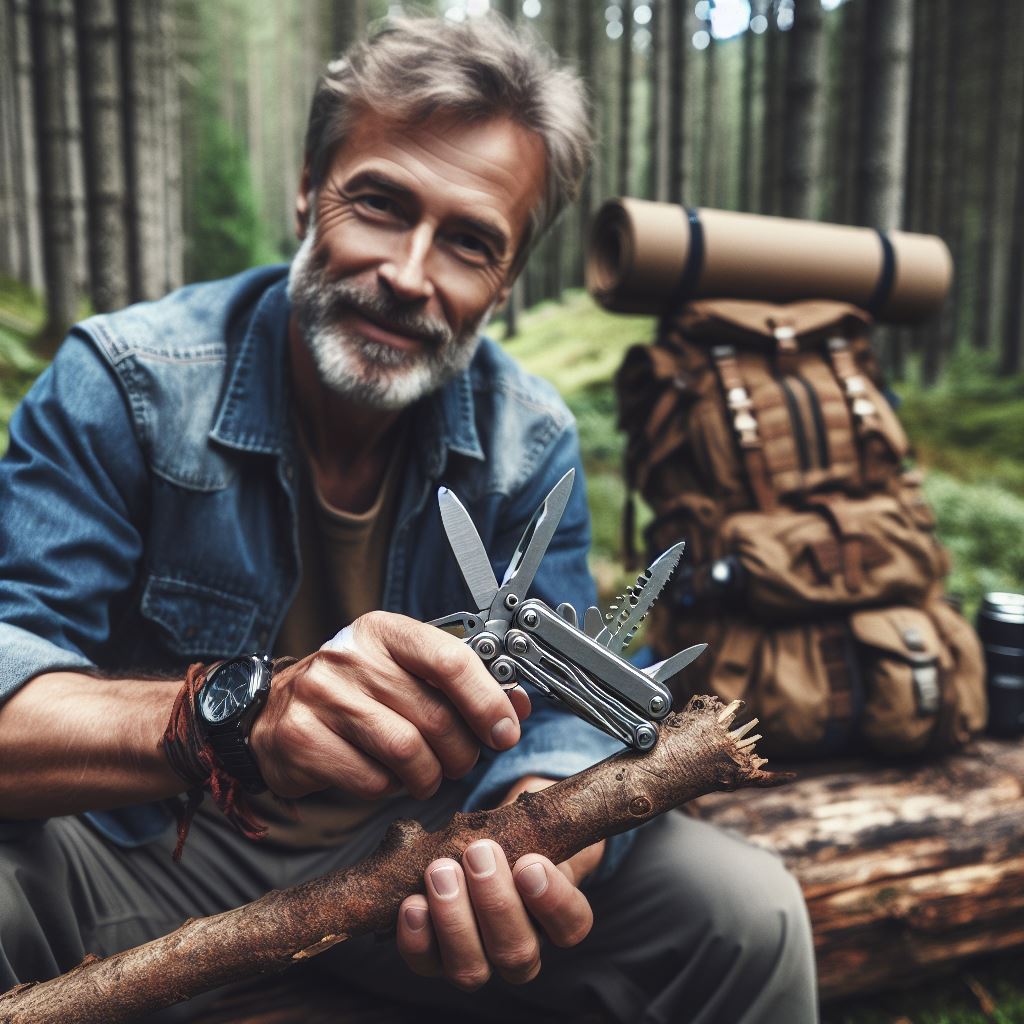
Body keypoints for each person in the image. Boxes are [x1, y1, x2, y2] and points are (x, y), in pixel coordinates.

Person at [0, 14, 817, 1023]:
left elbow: (562, 722)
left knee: (744, 913)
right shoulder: (124, 386)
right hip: (148, 859)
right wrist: (233, 716)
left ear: (507, 279)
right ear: (307, 187)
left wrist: (533, 839)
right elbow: (9, 694)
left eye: (469, 242)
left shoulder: (527, 439)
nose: (409, 272)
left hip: (426, 863)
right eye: (380, 205)